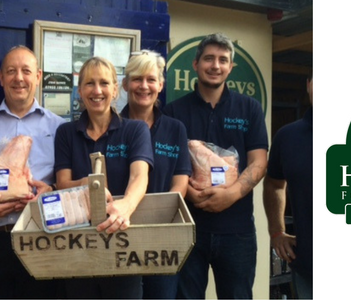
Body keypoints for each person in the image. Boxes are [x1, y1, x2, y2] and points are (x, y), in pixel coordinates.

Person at [163, 32, 268, 299]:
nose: (216, 65)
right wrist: (189, 192)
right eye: (209, 58)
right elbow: (169, 163)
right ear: (195, 64)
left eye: (223, 60)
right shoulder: (174, 111)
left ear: (231, 67)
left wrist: (231, 194)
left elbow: (259, 162)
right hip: (188, 228)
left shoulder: (250, 109)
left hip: (237, 231)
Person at [0, 45, 66, 298]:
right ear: (1, 78)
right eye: (11, 71)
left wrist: (51, 191)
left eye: (26, 71)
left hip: (44, 239)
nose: (19, 78)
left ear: (38, 77)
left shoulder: (61, 128)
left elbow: (71, 184)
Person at [54, 56, 153, 298]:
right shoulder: (66, 132)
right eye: (89, 83)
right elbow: (62, 184)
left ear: (116, 89)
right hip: (78, 247)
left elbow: (140, 177)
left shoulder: (135, 130)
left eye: (104, 83)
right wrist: (90, 184)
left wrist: (125, 208)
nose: (97, 91)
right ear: (79, 90)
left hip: (124, 245)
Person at [119, 50, 191, 299]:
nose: (144, 86)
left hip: (162, 239)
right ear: (125, 84)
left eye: (151, 79)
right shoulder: (112, 126)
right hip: (120, 237)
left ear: (160, 85)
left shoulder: (175, 128)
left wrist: (159, 220)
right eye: (137, 79)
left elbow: (181, 181)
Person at [263, 73, 312, 299]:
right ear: (309, 85)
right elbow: (273, 184)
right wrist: (277, 231)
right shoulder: (288, 136)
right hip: (308, 268)